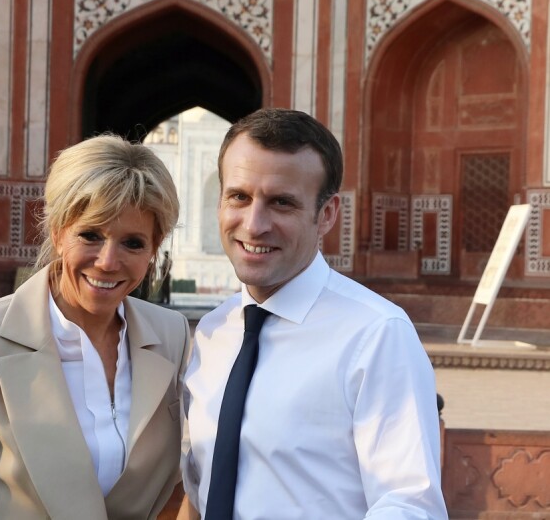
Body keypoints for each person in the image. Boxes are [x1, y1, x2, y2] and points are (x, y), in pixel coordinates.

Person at [181, 108, 448, 519]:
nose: (254, 224)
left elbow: (409, 505)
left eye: (281, 203)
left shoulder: (374, 335)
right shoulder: (215, 332)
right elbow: (201, 489)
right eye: (239, 197)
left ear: (326, 215)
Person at [0, 134, 190, 519]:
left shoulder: (172, 336)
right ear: (57, 232)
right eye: (90, 235)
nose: (108, 261)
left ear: (154, 249)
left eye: (133, 243)